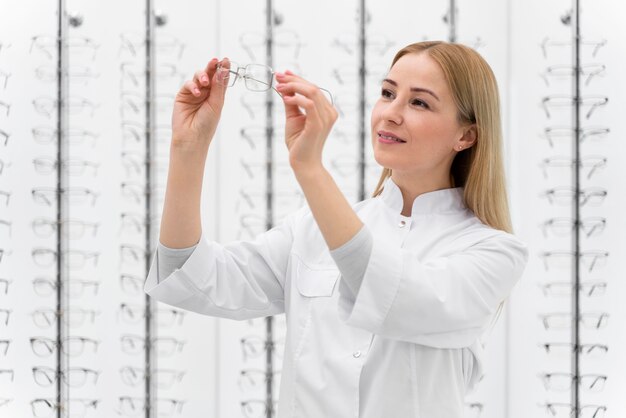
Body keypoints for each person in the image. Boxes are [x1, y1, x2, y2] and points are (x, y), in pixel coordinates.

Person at [144, 41, 529, 418]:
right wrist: (187, 148)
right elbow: (194, 277)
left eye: (419, 102)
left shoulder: (493, 252)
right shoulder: (312, 229)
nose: (390, 113)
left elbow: (393, 295)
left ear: (466, 136)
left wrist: (310, 169)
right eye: (387, 93)